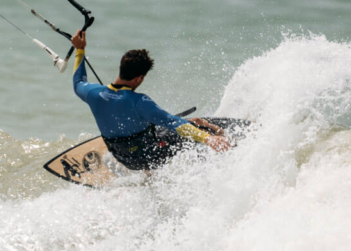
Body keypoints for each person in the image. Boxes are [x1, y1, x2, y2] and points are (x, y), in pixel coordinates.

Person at [71, 29, 231, 171]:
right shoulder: (140, 102)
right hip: (150, 157)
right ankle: (221, 150)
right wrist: (207, 138)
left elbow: (78, 81)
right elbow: (173, 122)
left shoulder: (93, 93)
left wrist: (80, 49)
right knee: (196, 125)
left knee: (154, 129)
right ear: (140, 77)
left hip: (123, 158)